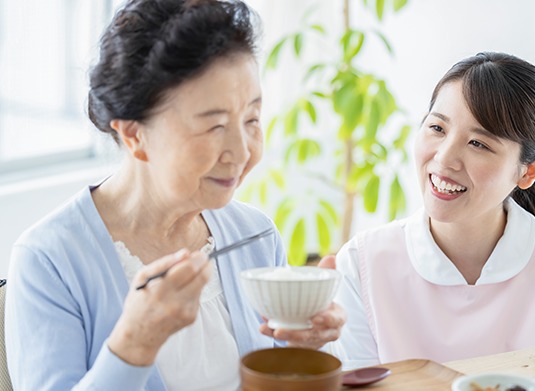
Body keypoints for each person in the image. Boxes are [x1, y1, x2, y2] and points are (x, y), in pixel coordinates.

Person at [5, 1, 344, 389]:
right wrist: (134, 344)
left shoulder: (256, 236)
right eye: (215, 126)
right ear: (135, 135)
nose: (243, 151)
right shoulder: (49, 261)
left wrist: (314, 346)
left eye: (251, 118)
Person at [324, 52, 535, 370]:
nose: (445, 159)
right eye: (437, 128)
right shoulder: (362, 264)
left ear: (528, 170)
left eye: (478, 143)